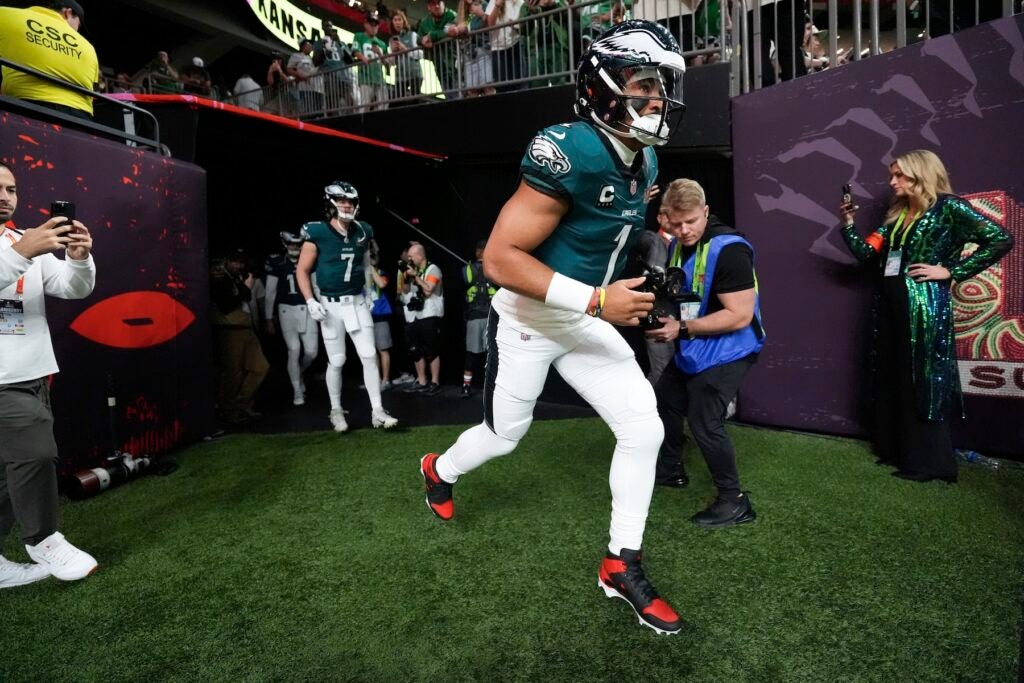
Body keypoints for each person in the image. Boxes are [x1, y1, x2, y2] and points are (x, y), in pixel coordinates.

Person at [418, 21, 687, 635]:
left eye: (661, 84)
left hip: (582, 314)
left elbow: (604, 235)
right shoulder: (568, 149)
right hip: (531, 318)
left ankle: (621, 564)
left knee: (643, 428)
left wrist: (646, 266)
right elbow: (499, 259)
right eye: (643, 83)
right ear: (601, 87)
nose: (657, 98)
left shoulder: (644, 156)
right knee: (505, 436)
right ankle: (440, 470)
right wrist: (597, 301)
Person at [839, 150, 1014, 483]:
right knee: (893, 374)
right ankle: (896, 451)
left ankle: (928, 463)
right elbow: (865, 253)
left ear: (920, 175)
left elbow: (1000, 239)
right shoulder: (897, 215)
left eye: (899, 175)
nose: (892, 182)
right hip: (889, 305)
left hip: (922, 305)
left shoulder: (949, 207)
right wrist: (848, 223)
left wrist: (950, 270)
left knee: (921, 377)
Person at [0, 161, 98, 586]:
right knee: (36, 449)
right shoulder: (23, 246)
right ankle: (43, 538)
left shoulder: (23, 241)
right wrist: (23, 252)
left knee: (7, 476)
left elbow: (72, 288)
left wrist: (79, 259)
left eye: (12, 188)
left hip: (33, 373)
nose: (6, 195)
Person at [646, 179, 763, 527]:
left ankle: (734, 501)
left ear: (706, 212)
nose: (684, 230)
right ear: (666, 218)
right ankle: (670, 469)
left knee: (704, 421)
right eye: (677, 223)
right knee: (665, 399)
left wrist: (680, 329)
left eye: (691, 222)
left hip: (732, 348)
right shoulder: (678, 245)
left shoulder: (730, 250)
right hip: (696, 346)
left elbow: (739, 315)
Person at [296, 181, 398, 432]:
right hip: (331, 305)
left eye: (350, 201)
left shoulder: (363, 230)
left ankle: (377, 410)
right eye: (341, 200)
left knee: (368, 356)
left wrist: (369, 291)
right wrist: (310, 300)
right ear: (330, 203)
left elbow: (364, 264)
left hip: (357, 301)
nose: (346, 205)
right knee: (338, 360)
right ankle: (336, 410)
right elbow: (302, 270)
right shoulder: (317, 231)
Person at [0, 1, 99, 118]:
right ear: (68, 13)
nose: (77, 30)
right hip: (80, 121)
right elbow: (93, 89)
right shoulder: (89, 47)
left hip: (23, 111)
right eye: (79, 24)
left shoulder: (5, 15)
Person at [210, 248, 269, 425]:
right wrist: (246, 288)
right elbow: (227, 304)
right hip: (229, 330)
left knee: (261, 367)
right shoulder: (219, 277)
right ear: (227, 260)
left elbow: (246, 296)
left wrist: (245, 288)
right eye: (235, 261)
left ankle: (241, 403)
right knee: (232, 372)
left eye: (241, 262)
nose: (239, 265)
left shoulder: (236, 275)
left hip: (246, 328)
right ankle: (228, 410)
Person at [264, 231, 319, 406]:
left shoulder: (310, 260)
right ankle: (297, 390)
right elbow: (270, 292)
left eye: (297, 244)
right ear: (285, 245)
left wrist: (321, 306)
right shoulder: (277, 262)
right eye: (291, 244)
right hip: (286, 309)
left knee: (311, 352)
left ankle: (298, 372)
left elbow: (316, 286)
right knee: (294, 350)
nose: (294, 247)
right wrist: (268, 317)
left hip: (307, 307)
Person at [634, 205, 675, 385]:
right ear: (659, 218)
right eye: (668, 215)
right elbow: (642, 238)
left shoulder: (687, 244)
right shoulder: (653, 240)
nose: (673, 220)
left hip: (685, 318)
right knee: (662, 371)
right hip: (658, 315)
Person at [399, 243, 444, 395]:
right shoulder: (414, 271)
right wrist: (405, 277)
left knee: (431, 350)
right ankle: (422, 381)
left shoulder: (433, 269)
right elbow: (404, 291)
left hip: (431, 314)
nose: (409, 259)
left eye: (411, 256)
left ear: (420, 256)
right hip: (417, 315)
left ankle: (435, 381)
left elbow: (429, 289)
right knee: (416, 350)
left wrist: (416, 277)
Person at [461, 239, 496, 397]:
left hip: (486, 317)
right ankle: (468, 385)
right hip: (482, 316)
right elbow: (467, 280)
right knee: (479, 354)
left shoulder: (493, 267)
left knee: (479, 353)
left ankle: (471, 386)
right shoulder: (470, 269)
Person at [366, 241, 394, 390]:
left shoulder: (382, 272)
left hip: (380, 315)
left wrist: (371, 267)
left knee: (383, 348)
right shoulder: (362, 275)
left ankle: (385, 380)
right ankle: (374, 381)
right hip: (366, 316)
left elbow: (382, 284)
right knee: (370, 351)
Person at [418, 0, 460, 97]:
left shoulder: (451, 15)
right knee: (449, 96)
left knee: (461, 94)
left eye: (439, 2)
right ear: (428, 7)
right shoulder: (424, 22)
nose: (437, 6)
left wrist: (431, 36)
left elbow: (448, 31)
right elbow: (418, 38)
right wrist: (422, 41)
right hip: (439, 65)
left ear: (443, 3)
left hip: (455, 62)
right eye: (433, 3)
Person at [353, 12, 390, 112]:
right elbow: (355, 51)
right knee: (364, 105)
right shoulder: (359, 36)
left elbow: (387, 63)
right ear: (365, 24)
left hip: (379, 79)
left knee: (384, 103)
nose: (374, 26)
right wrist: (363, 57)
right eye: (371, 23)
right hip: (365, 78)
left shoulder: (382, 44)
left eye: (376, 24)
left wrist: (380, 54)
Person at [387, 10, 423, 102]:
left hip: (415, 74)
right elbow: (391, 63)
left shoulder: (413, 35)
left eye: (399, 19)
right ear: (392, 22)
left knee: (414, 102)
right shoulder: (391, 40)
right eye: (395, 20)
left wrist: (405, 49)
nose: (397, 22)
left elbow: (420, 54)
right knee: (398, 102)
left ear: (404, 21)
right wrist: (393, 53)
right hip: (400, 76)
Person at [287, 38, 323, 114]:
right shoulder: (296, 56)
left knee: (317, 111)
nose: (310, 46)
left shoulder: (311, 58)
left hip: (315, 88)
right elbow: (289, 69)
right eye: (308, 44)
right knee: (307, 110)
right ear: (303, 46)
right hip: (304, 88)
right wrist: (300, 75)